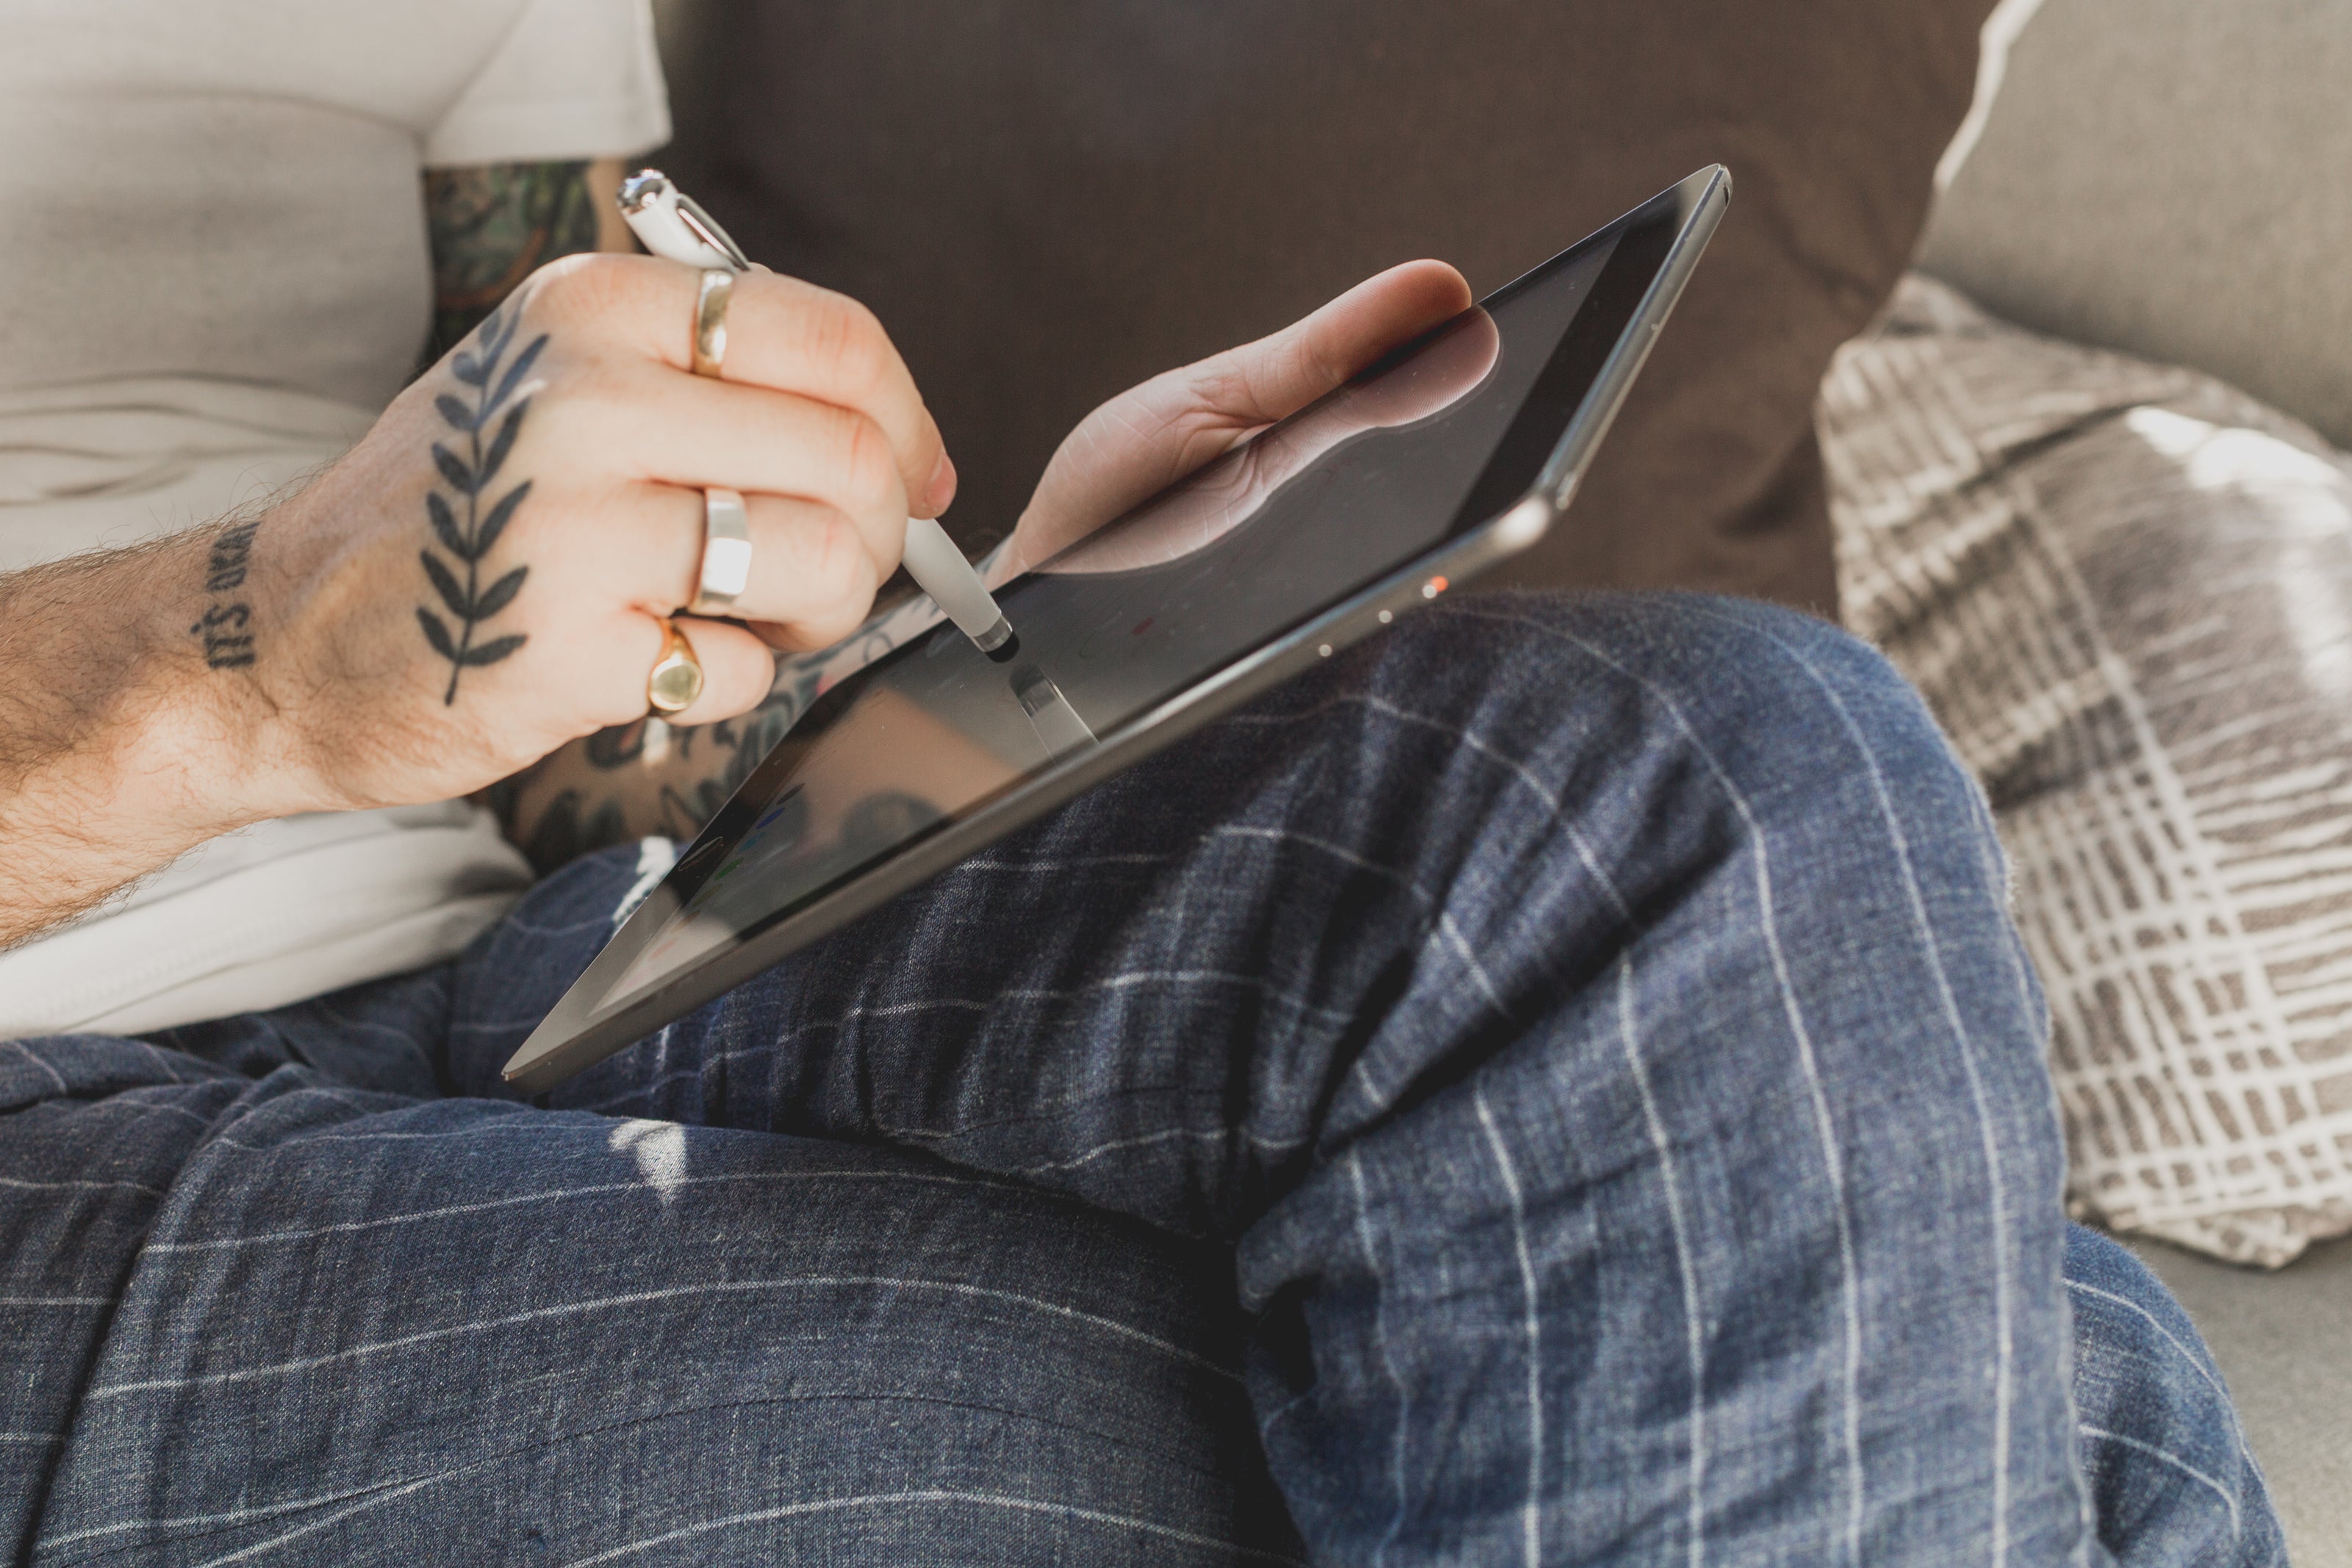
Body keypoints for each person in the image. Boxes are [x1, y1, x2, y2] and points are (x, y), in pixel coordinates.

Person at [0, 2, 2281, 1564]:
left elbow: (565, 718)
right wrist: (225, 669)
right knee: (2078, 1413)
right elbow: (308, 635)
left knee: (1698, 780)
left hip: (476, 966)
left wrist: (964, 667)